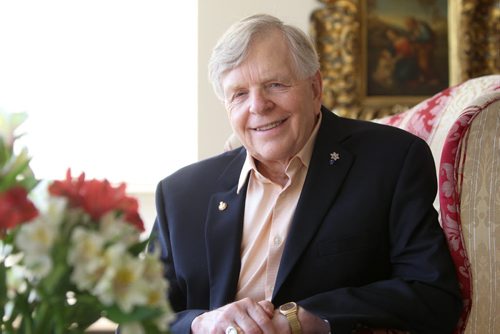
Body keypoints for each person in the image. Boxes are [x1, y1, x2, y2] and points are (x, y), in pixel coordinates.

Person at [151, 14, 462, 333]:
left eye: (275, 84)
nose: (258, 106)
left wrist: (305, 319)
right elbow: (135, 321)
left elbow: (432, 295)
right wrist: (199, 324)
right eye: (239, 94)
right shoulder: (180, 195)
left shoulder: (391, 161)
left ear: (315, 88)